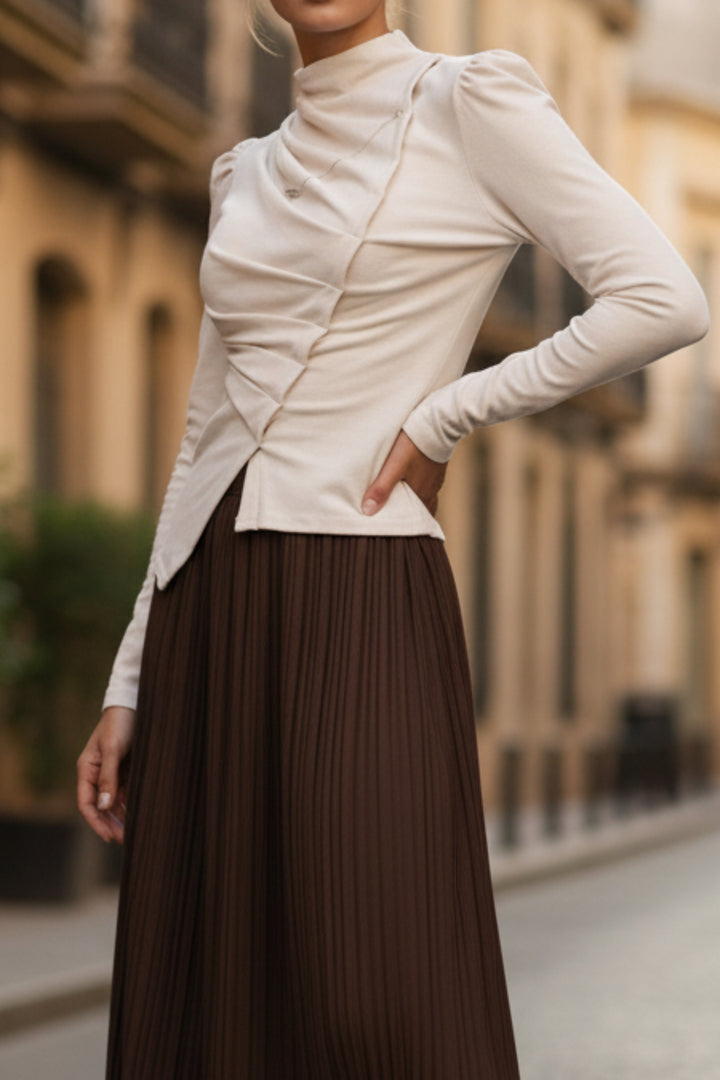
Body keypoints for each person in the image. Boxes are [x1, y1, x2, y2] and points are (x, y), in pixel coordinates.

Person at [76, 0, 710, 1076]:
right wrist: (129, 680)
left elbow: (663, 297)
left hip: (361, 585)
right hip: (208, 604)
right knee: (211, 989)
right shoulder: (242, 173)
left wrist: (447, 414)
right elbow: (201, 441)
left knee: (377, 981)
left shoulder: (471, 102)